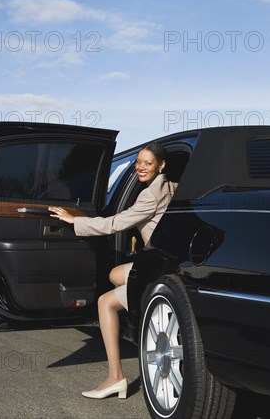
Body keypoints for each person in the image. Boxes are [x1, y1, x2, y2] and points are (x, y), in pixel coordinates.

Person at [49, 142, 177, 400]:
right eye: (138, 162)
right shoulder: (173, 187)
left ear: (161, 165)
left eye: (147, 163)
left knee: (105, 302)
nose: (140, 167)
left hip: (159, 270)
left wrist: (77, 221)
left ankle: (115, 377)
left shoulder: (149, 195)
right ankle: (137, 304)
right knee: (115, 275)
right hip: (167, 263)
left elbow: (116, 223)